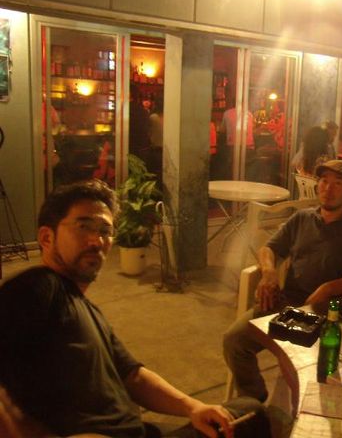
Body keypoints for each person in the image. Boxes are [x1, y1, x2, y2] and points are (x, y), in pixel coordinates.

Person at [0, 179, 268, 438]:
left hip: (137, 430)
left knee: (249, 411)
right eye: (83, 227)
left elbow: (133, 376)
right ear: (46, 238)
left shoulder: (87, 309)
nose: (96, 241)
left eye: (105, 231)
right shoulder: (39, 287)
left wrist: (193, 407)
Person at [223, 160, 342, 402]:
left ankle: (298, 407)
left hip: (327, 313)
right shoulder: (302, 218)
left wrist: (329, 288)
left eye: (338, 183)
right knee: (234, 341)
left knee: (299, 365)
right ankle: (253, 399)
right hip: (285, 306)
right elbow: (269, 249)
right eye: (324, 181)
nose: (328, 189)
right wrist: (268, 272)